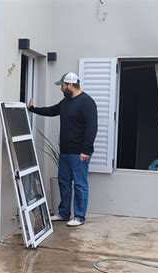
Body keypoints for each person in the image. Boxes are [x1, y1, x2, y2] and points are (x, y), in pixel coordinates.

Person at [28, 72, 97, 227]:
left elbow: (92, 128)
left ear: (70, 85)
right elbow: (52, 111)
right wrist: (32, 109)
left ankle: (79, 216)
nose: (61, 88)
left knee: (80, 184)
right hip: (65, 151)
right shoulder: (66, 102)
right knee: (64, 182)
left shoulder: (87, 102)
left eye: (62, 85)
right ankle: (64, 213)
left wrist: (86, 150)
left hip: (80, 153)